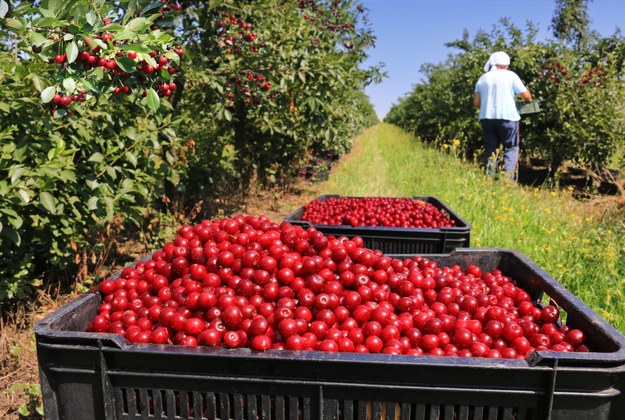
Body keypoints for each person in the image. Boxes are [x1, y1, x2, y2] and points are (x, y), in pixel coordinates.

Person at [473, 51, 532, 179]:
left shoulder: (482, 78)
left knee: (490, 148)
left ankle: (489, 177)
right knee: (511, 147)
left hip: (486, 118)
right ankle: (507, 179)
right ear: (506, 64)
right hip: (508, 117)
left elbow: (476, 103)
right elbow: (527, 97)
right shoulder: (510, 76)